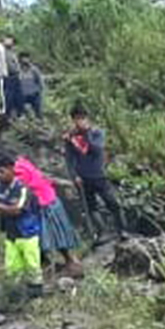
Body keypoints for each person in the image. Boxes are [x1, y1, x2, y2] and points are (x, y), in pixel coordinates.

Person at [11, 155, 78, 277]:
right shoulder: (23, 163)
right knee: (51, 237)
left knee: (50, 237)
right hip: (48, 198)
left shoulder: (18, 171)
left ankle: (70, 263)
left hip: (44, 203)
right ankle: (57, 263)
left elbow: (22, 191)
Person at [63, 106, 117, 239]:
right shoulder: (70, 138)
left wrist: (85, 134)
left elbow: (96, 149)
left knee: (112, 202)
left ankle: (122, 230)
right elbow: (69, 159)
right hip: (82, 177)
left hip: (98, 174)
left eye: (82, 118)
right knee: (90, 206)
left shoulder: (97, 133)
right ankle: (102, 231)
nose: (79, 121)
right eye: (76, 119)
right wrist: (74, 176)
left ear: (87, 118)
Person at [0, 165, 41, 300]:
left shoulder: (22, 189)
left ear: (11, 170)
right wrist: (5, 209)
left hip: (27, 232)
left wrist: (2, 208)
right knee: (12, 266)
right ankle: (15, 295)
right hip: (10, 234)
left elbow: (18, 210)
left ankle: (36, 294)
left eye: (2, 171)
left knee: (32, 265)